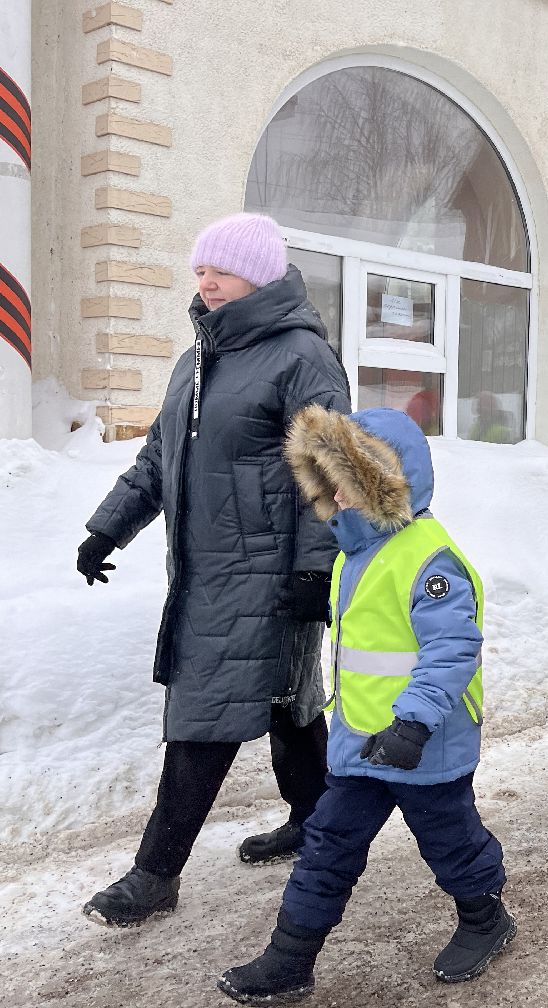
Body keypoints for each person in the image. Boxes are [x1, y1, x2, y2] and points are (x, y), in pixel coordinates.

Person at [76, 213, 350, 928]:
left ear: (257, 275)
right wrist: (108, 527)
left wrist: (315, 572)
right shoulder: (198, 359)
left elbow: (327, 472)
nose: (205, 282)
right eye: (200, 270)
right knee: (287, 703)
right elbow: (159, 460)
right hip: (203, 570)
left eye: (219, 270)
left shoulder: (301, 357)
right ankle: (317, 818)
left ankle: (154, 874)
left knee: (204, 718)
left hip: (269, 574)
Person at [218, 406, 513, 1005]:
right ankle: (290, 958)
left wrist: (414, 722)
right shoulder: (353, 555)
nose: (338, 497)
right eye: (331, 484)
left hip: (422, 743)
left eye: (351, 484)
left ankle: (485, 917)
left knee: (450, 843)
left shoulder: (429, 557)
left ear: (386, 484)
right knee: (328, 844)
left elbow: (452, 647)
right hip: (360, 740)